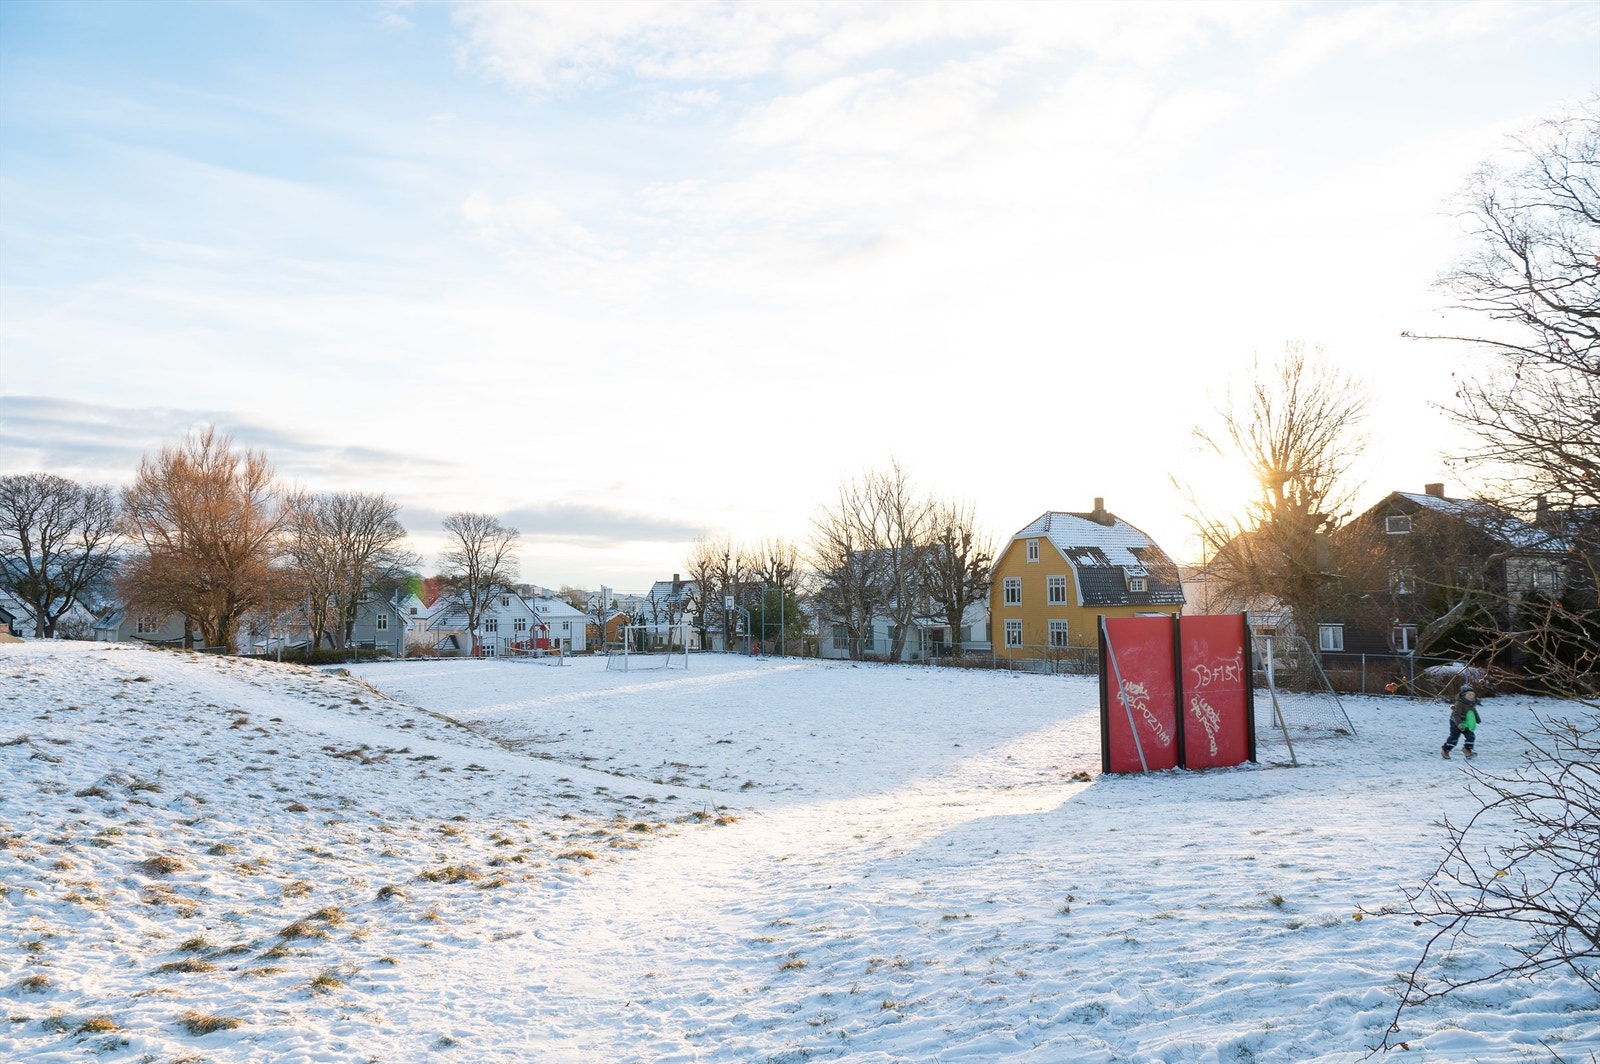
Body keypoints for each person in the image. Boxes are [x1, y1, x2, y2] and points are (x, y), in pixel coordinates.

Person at [1441, 685, 1483, 759]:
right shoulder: (1459, 703)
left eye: (1472, 694)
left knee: (1471, 736)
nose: (1471, 696)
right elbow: (1455, 714)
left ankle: (1467, 750)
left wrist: (1478, 719)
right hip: (1456, 722)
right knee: (1454, 738)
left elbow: (1474, 711)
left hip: (1466, 723)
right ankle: (1445, 750)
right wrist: (1458, 723)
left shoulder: (1471, 703)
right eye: (1469, 695)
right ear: (1464, 695)